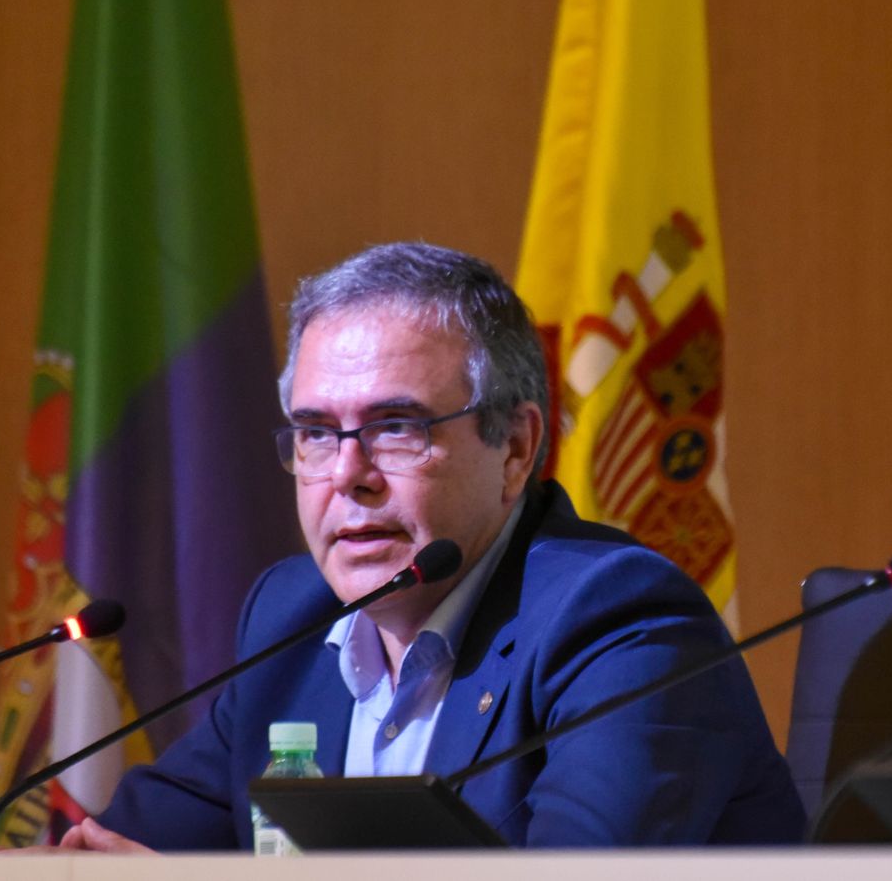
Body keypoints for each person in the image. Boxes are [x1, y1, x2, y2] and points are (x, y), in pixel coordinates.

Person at [53, 242, 805, 851]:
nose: (348, 475)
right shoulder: (292, 619)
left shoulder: (620, 623)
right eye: (316, 432)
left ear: (515, 448)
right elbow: (120, 849)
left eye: (396, 428)